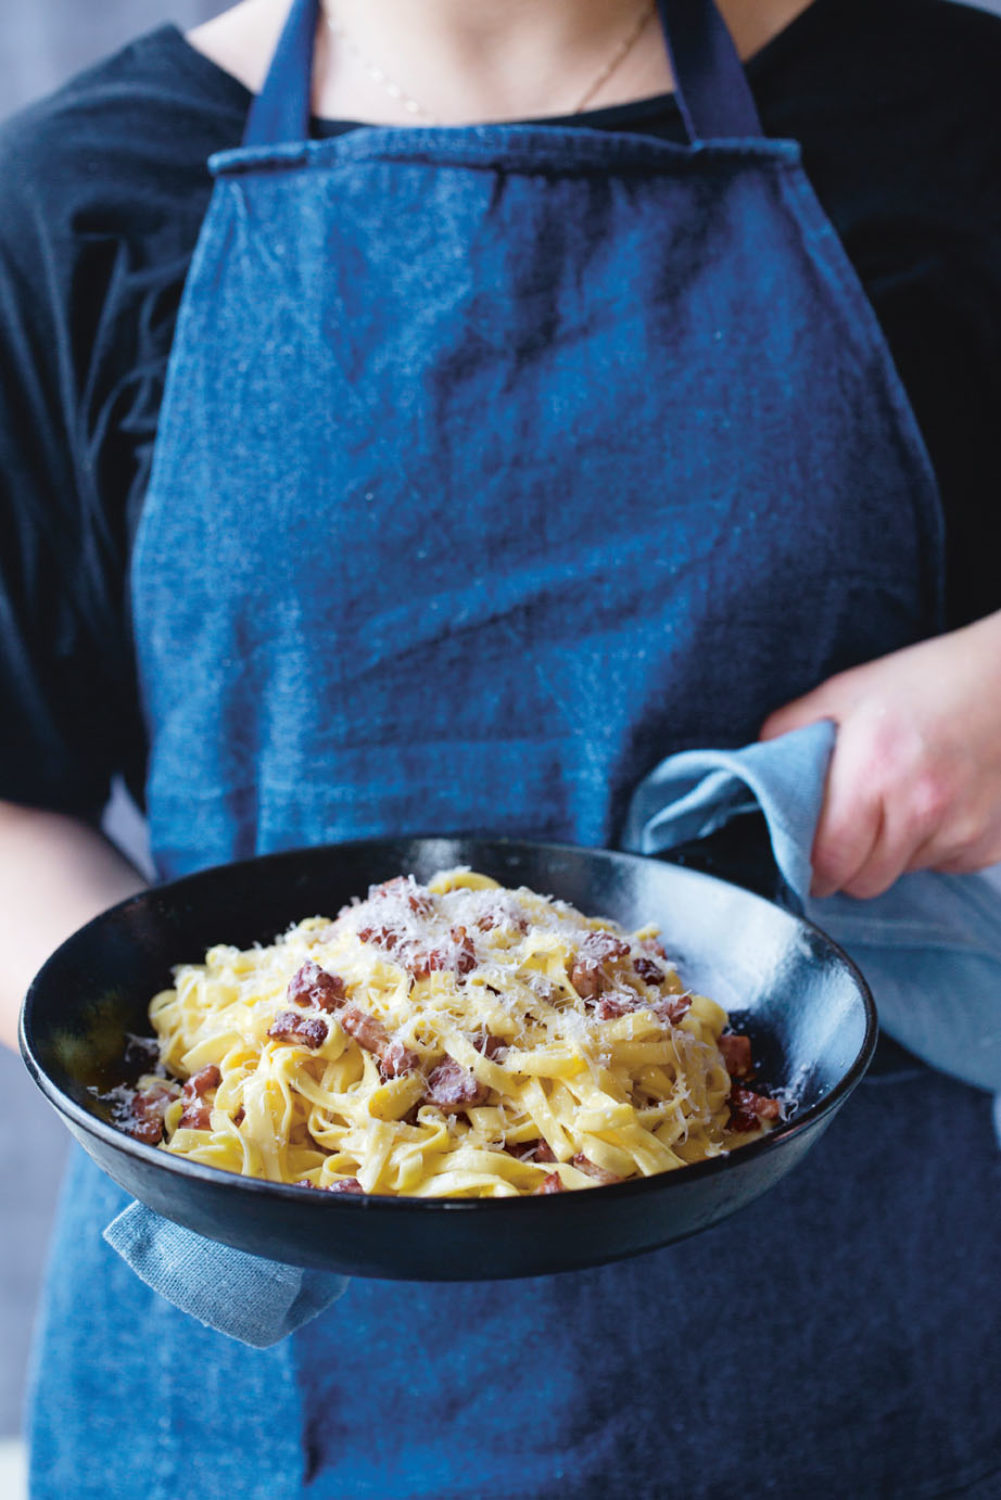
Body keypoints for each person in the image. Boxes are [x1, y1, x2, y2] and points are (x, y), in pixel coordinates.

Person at [2, 0, 1000, 1494]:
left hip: (834, 1350)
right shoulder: (79, 188)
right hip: (238, 1370)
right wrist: (210, 1080)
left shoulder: (955, 112)